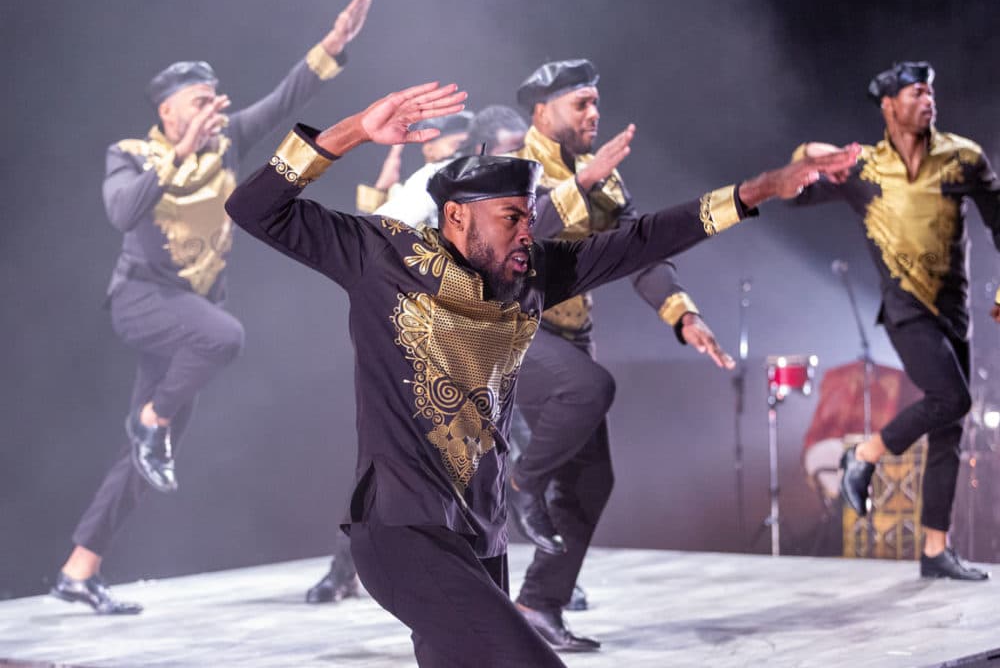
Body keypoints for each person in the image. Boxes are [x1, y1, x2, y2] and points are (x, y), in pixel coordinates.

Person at [225, 81, 857, 665]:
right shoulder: (379, 256)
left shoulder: (533, 275)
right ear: (455, 217)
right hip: (402, 534)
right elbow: (255, 207)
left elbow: (644, 241)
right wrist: (355, 130)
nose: (528, 233)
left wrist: (757, 191)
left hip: (482, 539)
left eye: (530, 217)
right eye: (512, 219)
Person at [49, 0, 372, 615]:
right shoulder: (132, 155)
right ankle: (151, 424)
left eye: (216, 99)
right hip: (144, 302)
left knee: (145, 458)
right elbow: (122, 212)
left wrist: (333, 45)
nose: (215, 110)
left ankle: (78, 568)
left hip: (187, 319)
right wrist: (177, 155)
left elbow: (285, 99)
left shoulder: (227, 142)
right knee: (224, 338)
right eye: (200, 103)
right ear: (167, 114)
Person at [504, 59, 735, 650]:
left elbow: (641, 249)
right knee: (588, 388)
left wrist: (684, 315)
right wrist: (577, 185)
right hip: (508, 332)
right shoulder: (509, 164)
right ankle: (522, 483)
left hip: (568, 338)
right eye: (580, 103)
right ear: (541, 110)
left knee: (591, 482)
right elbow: (515, 233)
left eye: (595, 102)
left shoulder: (601, 177)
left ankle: (537, 605)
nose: (593, 113)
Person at [305, 105, 528, 605]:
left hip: (473, 349)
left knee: (493, 455)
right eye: (510, 146)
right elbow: (378, 232)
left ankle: (521, 566)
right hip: (425, 349)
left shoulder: (495, 193)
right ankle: (350, 568)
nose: (518, 155)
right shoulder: (439, 182)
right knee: (402, 471)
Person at [793, 61, 1000, 581]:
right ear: (888, 106)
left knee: (951, 428)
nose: (928, 100)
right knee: (951, 400)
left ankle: (934, 551)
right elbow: (795, 192)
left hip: (954, 309)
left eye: (931, 91)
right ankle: (863, 456)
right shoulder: (861, 168)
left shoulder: (963, 157)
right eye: (915, 92)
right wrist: (807, 155)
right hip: (906, 308)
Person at [354, 111, 473, 214]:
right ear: (429, 149)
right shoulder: (408, 192)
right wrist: (382, 187)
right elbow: (366, 236)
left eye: (470, 146)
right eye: (458, 144)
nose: (465, 152)